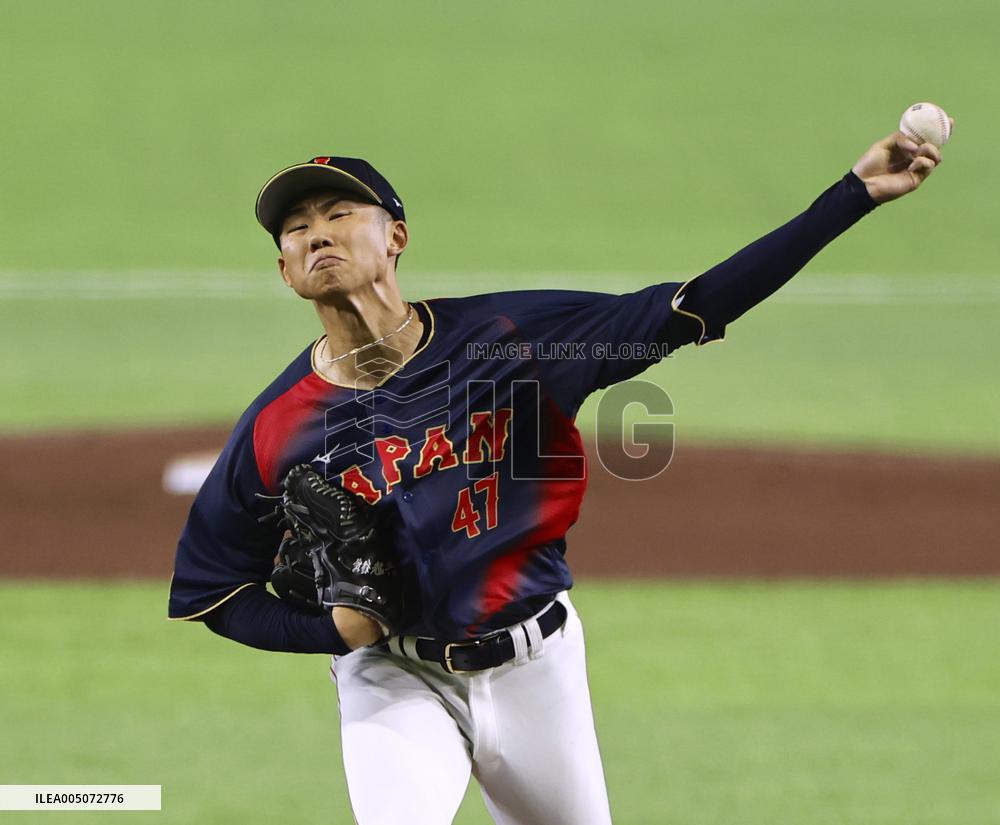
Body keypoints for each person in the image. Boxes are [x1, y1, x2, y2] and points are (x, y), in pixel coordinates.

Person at [169, 127, 947, 824]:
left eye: (339, 213)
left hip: (537, 667)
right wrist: (331, 632)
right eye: (295, 228)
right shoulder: (277, 426)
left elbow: (692, 307)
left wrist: (853, 195)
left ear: (396, 236)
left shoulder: (514, 337)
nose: (316, 233)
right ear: (285, 270)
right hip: (393, 679)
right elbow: (212, 588)